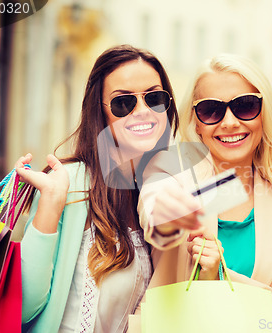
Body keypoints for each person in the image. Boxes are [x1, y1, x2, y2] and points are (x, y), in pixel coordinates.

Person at [15, 45, 179, 332]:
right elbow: (23, 307)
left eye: (154, 98)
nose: (142, 112)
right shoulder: (71, 183)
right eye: (123, 103)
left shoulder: (156, 190)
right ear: (100, 113)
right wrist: (51, 203)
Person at [138, 54, 272, 307]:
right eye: (211, 111)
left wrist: (221, 277)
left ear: (264, 114)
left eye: (245, 106)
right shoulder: (170, 173)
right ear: (196, 122)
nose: (230, 123)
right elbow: (156, 215)